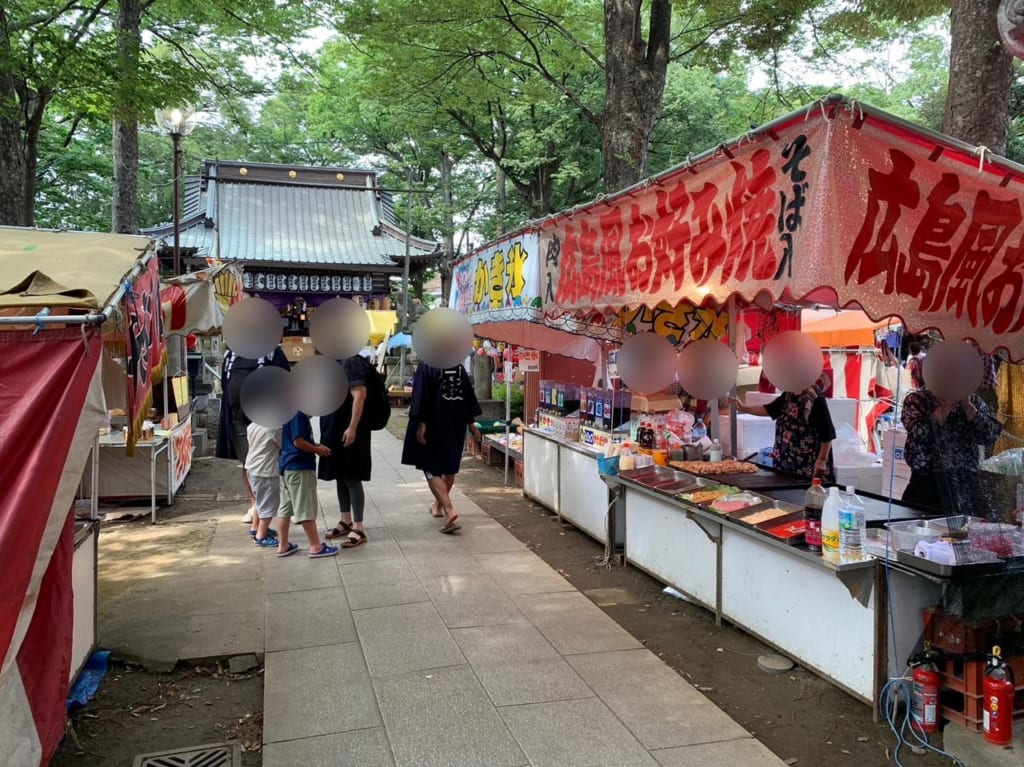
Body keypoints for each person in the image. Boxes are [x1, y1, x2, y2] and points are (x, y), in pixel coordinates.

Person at [401, 362, 482, 534]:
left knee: (430, 468)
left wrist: (421, 423)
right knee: (449, 467)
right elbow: (468, 395)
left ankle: (449, 510)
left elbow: (420, 396)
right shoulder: (458, 366)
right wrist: (471, 423)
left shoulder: (427, 365)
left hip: (433, 424)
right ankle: (437, 506)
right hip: (456, 423)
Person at [215, 345, 290, 523]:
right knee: (249, 463)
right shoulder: (231, 353)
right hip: (237, 419)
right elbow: (226, 384)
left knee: (274, 462)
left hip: (265, 419)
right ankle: (255, 504)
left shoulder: (272, 351)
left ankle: (285, 505)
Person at [900, 388, 1001, 515]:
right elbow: (920, 434)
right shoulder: (917, 400)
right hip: (927, 484)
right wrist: (946, 405)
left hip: (966, 485)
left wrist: (968, 407)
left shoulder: (974, 401)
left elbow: (990, 436)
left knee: (965, 531)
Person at [319, 355, 372, 548]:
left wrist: (352, 427)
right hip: (332, 429)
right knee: (339, 475)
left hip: (348, 429)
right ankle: (345, 520)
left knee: (351, 476)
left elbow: (360, 395)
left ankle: (359, 526)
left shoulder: (352, 361)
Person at [735, 385, 836, 482]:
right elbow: (770, 409)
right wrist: (743, 408)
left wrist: (822, 460)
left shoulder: (813, 398)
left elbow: (827, 432)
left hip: (808, 466)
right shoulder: (789, 393)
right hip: (785, 463)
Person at [275, 411, 338, 558]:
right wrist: (317, 450)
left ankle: (283, 545)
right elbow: (298, 442)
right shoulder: (298, 414)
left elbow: (295, 439)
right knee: (305, 507)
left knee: (285, 508)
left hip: (287, 466)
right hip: (299, 467)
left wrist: (315, 445)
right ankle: (316, 546)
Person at [245, 421, 281, 546]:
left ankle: (255, 528)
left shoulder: (253, 425)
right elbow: (284, 444)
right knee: (268, 506)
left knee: (259, 502)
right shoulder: (275, 428)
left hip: (252, 468)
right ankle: (261, 536)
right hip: (266, 471)